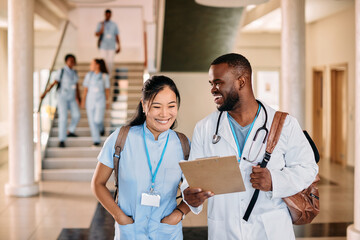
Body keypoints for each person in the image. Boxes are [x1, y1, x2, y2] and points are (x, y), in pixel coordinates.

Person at [181, 53, 319, 240]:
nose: (213, 89)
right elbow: (193, 177)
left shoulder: (284, 124)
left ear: (241, 82)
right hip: (224, 229)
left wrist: (274, 181)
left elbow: (308, 169)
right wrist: (190, 196)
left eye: (218, 82)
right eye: (211, 84)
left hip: (270, 230)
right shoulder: (205, 128)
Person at [91, 75, 190, 240]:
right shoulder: (121, 138)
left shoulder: (183, 144)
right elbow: (97, 183)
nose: (165, 114)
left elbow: (198, 188)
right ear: (144, 106)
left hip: (167, 233)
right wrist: (119, 217)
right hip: (130, 232)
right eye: (156, 106)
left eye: (171, 106)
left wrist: (179, 214)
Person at [40, 54, 81, 148]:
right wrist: (45, 93)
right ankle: (61, 140)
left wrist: (79, 97)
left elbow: (77, 86)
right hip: (62, 97)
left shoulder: (74, 72)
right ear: (66, 61)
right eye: (70, 60)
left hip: (71, 97)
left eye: (73, 60)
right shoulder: (61, 71)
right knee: (63, 117)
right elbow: (54, 82)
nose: (72, 62)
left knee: (77, 115)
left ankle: (70, 131)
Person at [81, 59, 110, 146]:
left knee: (97, 119)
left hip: (100, 100)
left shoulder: (105, 76)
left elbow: (107, 90)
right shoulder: (89, 75)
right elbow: (85, 89)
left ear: (97, 65)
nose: (90, 66)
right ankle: (96, 140)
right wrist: (83, 100)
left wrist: (107, 101)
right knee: (92, 121)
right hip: (90, 100)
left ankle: (101, 128)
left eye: (92, 64)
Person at [95, 9, 121, 76]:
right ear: (105, 15)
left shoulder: (114, 25)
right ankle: (103, 74)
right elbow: (96, 34)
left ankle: (109, 75)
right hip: (103, 46)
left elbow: (116, 35)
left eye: (109, 15)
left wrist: (119, 46)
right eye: (107, 15)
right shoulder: (101, 24)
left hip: (111, 46)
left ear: (111, 15)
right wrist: (102, 28)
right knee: (103, 61)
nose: (108, 16)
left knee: (110, 62)